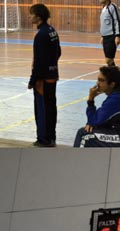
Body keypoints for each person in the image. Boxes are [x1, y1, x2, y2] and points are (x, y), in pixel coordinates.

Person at [73, 66, 120, 147]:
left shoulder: (116, 100)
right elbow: (100, 119)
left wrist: (91, 100)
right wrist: (92, 123)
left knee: (83, 135)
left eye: (101, 80)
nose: (97, 83)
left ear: (112, 84)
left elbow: (94, 120)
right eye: (98, 79)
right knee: (94, 129)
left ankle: (75, 159)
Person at [28, 4, 61, 147]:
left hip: (43, 79)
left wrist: (32, 80)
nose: (30, 16)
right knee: (51, 107)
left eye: (31, 14)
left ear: (38, 17)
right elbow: (58, 52)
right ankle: (51, 137)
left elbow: (38, 62)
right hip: (53, 75)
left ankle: (44, 139)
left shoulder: (40, 36)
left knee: (42, 110)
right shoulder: (52, 31)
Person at [99, 0, 120, 67]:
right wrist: (102, 36)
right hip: (105, 37)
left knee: (109, 60)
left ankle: (116, 75)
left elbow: (117, 21)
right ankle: (113, 75)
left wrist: (118, 36)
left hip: (111, 36)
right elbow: (105, 23)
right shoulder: (104, 8)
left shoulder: (112, 7)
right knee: (108, 60)